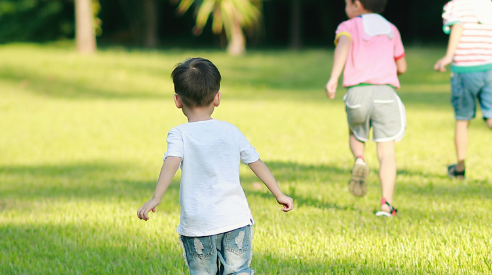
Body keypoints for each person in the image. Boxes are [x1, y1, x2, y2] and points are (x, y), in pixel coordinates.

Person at [137, 57, 294, 275]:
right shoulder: (231, 130)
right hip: (235, 220)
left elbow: (171, 162)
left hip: (198, 224)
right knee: (238, 270)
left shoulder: (180, 134)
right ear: (217, 98)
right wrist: (279, 194)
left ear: (177, 100)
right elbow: (256, 162)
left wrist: (156, 197)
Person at [325, 0, 407, 217]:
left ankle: (360, 158)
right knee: (386, 152)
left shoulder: (348, 26)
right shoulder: (392, 29)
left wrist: (333, 78)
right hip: (385, 94)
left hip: (357, 93)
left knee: (355, 132)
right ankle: (386, 205)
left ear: (357, 5)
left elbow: (342, 47)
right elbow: (402, 66)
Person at [433, 0, 492, 180]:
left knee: (462, 120)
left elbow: (457, 27)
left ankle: (460, 168)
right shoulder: (486, 3)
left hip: (466, 70)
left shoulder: (455, 5)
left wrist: (448, 56)